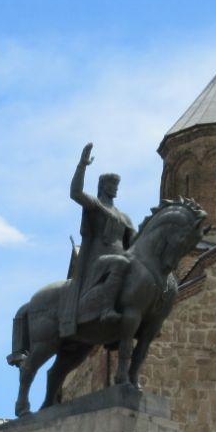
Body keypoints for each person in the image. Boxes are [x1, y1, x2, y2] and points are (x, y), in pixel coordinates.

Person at [61, 143, 137, 336]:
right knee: (120, 263)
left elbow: (136, 242)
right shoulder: (95, 205)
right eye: (112, 185)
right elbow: (75, 193)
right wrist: (82, 165)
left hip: (121, 259)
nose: (115, 188)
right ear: (103, 187)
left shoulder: (124, 217)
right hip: (98, 261)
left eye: (117, 185)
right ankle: (106, 310)